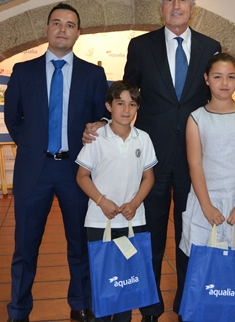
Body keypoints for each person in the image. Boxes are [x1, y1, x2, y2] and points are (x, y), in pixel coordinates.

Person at [84, 0, 221, 322]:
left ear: (193, 7)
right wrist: (105, 120)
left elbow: (216, 96)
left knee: (191, 234)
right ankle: (151, 306)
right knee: (151, 236)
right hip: (151, 161)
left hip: (193, 159)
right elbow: (127, 92)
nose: (176, 5)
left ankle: (187, 303)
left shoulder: (210, 47)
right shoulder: (141, 46)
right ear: (160, 6)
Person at [4, 3, 107, 322]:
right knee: (25, 246)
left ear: (78, 33)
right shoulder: (23, 72)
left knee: (80, 242)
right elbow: (12, 118)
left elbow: (102, 116)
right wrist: (32, 144)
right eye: (57, 23)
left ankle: (81, 303)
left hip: (75, 170)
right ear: (47, 29)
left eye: (70, 25)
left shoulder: (93, 74)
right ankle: (18, 310)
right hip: (33, 170)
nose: (63, 29)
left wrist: (100, 124)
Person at [76, 80, 157, 322]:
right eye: (120, 103)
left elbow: (149, 177)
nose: (126, 109)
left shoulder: (143, 139)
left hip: (133, 220)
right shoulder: (96, 137)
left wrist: (134, 204)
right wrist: (102, 201)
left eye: (132, 104)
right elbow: (82, 176)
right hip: (100, 221)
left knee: (128, 278)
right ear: (108, 106)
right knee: (104, 278)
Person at [179, 53, 235, 257]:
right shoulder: (196, 119)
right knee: (205, 264)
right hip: (207, 199)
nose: (224, 83)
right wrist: (206, 206)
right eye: (217, 77)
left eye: (230, 77)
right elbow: (195, 165)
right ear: (206, 78)